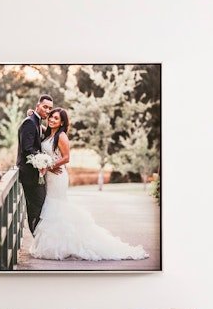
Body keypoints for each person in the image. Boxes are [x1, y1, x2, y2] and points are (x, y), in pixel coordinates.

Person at [29, 108, 148, 261]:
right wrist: (32, 115)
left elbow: (66, 158)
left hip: (58, 177)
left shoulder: (62, 136)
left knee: (56, 206)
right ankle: (61, 244)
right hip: (49, 177)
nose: (52, 120)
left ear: (62, 122)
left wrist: (49, 166)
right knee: (52, 206)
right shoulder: (48, 134)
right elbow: (40, 130)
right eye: (51, 117)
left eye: (56, 118)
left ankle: (63, 246)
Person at [17, 94, 53, 234]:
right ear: (37, 105)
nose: (48, 110)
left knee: (39, 207)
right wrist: (43, 161)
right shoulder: (29, 122)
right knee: (36, 208)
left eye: (50, 108)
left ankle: (39, 238)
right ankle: (38, 238)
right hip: (29, 175)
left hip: (35, 174)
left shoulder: (36, 122)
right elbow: (27, 148)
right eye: (45, 107)